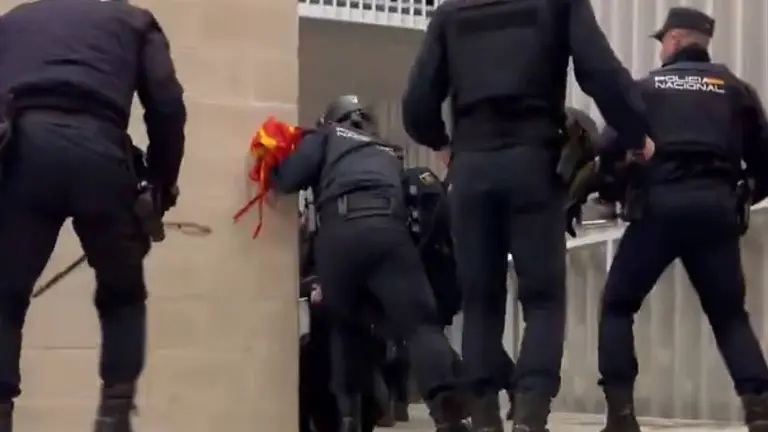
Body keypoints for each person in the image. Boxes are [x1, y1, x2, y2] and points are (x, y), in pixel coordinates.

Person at [400, 0, 652, 430]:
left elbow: (417, 104)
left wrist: (442, 141)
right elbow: (601, 72)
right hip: (534, 164)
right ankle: (531, 413)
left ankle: (484, 416)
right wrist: (635, 132)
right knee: (542, 298)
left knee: (480, 299)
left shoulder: (451, 12)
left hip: (472, 167)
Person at [0, 1, 185, 431]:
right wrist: (160, 183)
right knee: (123, 295)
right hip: (102, 156)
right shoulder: (134, 21)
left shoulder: (12, 21)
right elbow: (168, 104)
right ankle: (114, 416)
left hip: (21, 153)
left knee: (4, 297)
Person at [597, 7, 768, 432]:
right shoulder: (735, 89)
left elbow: (607, 151)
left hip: (658, 210)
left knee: (617, 306)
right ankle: (760, 409)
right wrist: (744, 195)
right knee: (729, 314)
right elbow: (765, 160)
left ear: (674, 40)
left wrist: (615, 190)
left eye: (662, 42)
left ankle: (621, 415)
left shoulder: (644, 89)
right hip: (714, 211)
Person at [270, 95, 466, 432]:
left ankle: (348, 418)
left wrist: (271, 163)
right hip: (388, 232)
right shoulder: (387, 151)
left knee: (344, 328)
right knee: (421, 326)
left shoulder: (327, 136)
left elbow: (288, 178)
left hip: (339, 235)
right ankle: (446, 412)